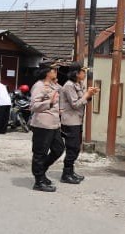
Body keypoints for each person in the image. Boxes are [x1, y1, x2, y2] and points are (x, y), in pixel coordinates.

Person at [59, 63, 98, 184]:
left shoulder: (79, 84)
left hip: (77, 120)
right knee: (72, 147)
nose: (84, 74)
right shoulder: (69, 85)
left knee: (76, 147)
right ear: (76, 73)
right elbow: (75, 104)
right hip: (70, 121)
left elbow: (84, 100)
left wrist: (90, 94)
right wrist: (87, 95)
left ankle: (70, 171)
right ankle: (66, 174)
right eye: (83, 72)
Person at [30, 62, 65, 192]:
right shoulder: (38, 86)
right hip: (42, 124)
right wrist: (49, 102)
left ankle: (41, 171)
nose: (55, 72)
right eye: (53, 70)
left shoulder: (53, 85)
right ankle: (38, 181)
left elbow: (64, 91)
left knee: (59, 149)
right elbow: (34, 106)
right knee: (40, 152)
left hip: (54, 124)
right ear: (46, 72)